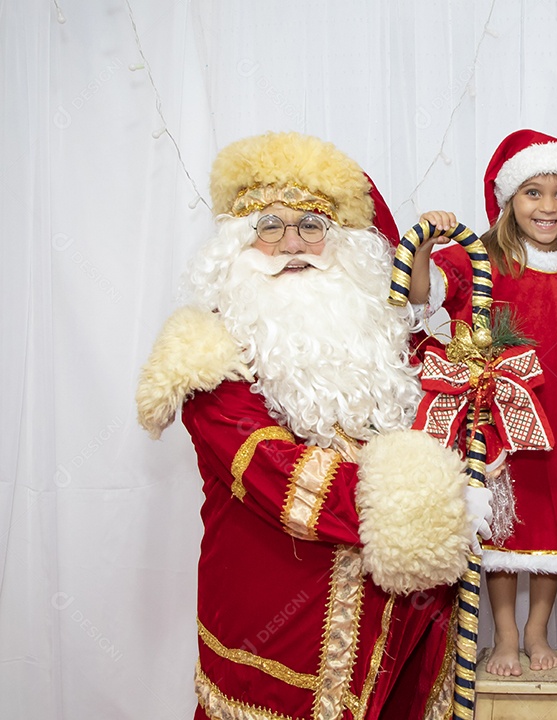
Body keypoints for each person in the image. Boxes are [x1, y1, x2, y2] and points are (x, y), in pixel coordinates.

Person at [135, 131, 491, 720]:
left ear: (345, 246)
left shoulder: (387, 348)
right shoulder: (212, 357)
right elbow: (277, 475)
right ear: (236, 246)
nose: (291, 244)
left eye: (311, 225)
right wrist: (433, 505)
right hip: (279, 642)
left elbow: (456, 403)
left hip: (396, 638)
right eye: (269, 226)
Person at [405, 129, 557, 676]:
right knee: (505, 528)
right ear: (510, 200)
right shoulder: (480, 259)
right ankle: (506, 633)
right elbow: (421, 296)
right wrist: (420, 243)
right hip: (500, 418)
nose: (548, 205)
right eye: (533, 192)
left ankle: (538, 629)